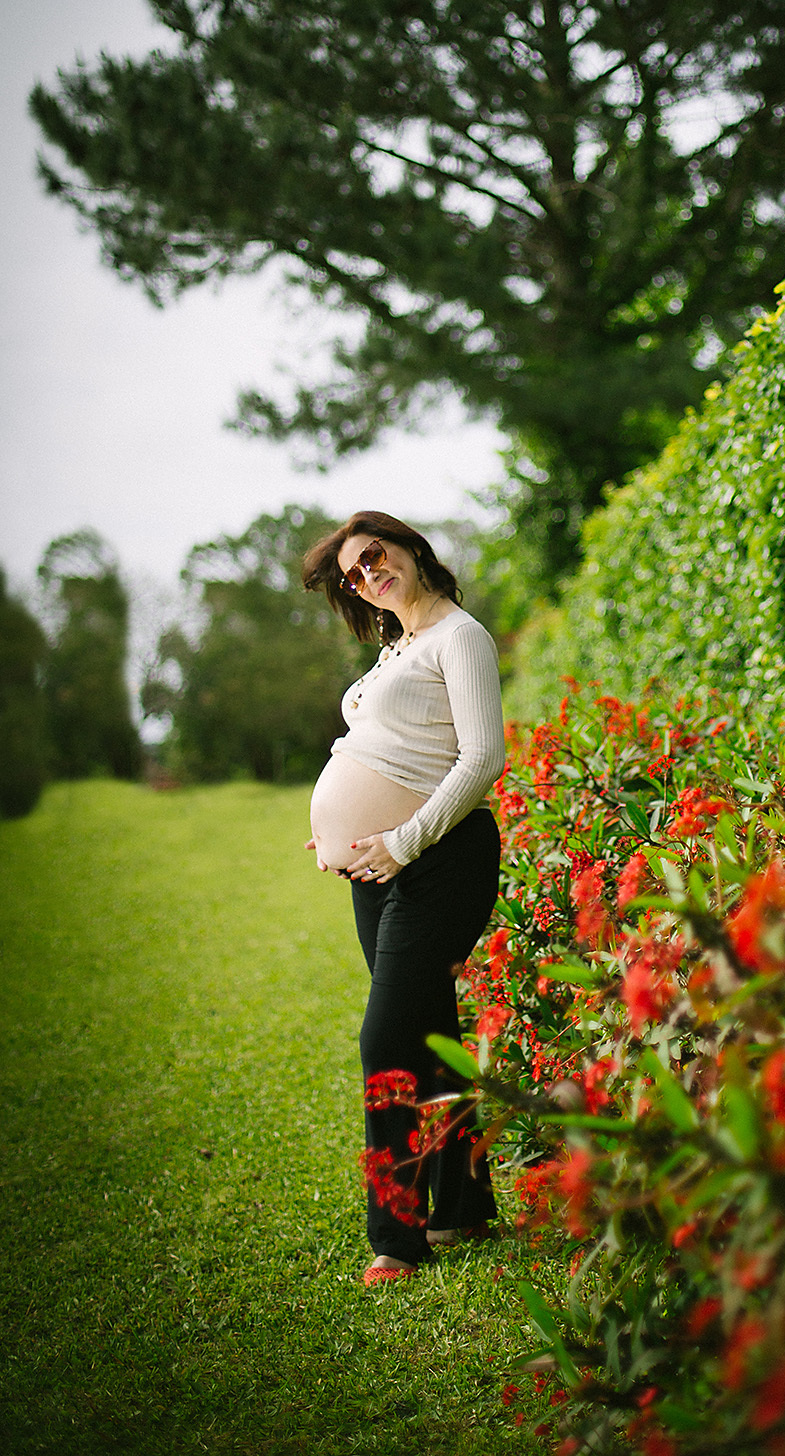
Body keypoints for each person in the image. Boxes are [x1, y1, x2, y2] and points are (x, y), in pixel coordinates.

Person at [302, 512, 505, 1284]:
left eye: (375, 556)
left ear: (412, 549)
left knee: (384, 1042)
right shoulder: (398, 646)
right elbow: (376, 751)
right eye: (353, 575)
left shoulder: (461, 636)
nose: (368, 576)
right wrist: (337, 835)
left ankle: (397, 1235)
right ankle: (461, 1207)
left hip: (440, 861)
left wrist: (402, 838)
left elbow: (485, 755)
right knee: (425, 1035)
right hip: (375, 867)